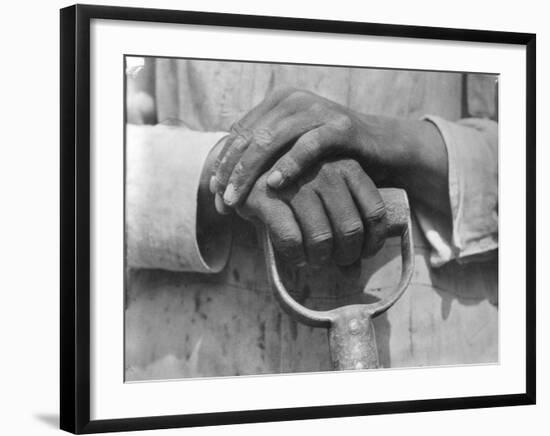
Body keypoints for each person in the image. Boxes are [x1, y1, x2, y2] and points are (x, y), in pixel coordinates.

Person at [124, 58, 498, 380]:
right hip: (193, 354)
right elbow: (84, 150)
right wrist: (227, 165)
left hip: (434, 347)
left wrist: (385, 140)